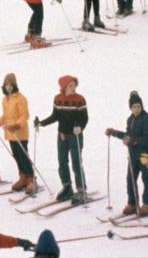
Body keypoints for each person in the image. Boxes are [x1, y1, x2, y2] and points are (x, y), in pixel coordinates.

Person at [35, 75, 88, 204]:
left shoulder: (80, 99)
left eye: (74, 85)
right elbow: (55, 116)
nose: (73, 88)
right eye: (70, 86)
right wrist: (42, 123)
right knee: (62, 162)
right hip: (62, 136)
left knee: (76, 163)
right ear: (64, 87)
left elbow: (84, 118)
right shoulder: (58, 99)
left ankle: (81, 190)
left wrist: (80, 128)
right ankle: (67, 187)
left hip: (75, 136)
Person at [105, 91, 148, 217]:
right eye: (134, 107)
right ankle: (133, 203)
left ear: (142, 106)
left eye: (138, 106)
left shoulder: (147, 119)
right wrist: (115, 132)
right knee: (130, 178)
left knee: (146, 178)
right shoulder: (130, 119)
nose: (136, 109)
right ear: (130, 108)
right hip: (133, 155)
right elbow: (128, 136)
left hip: (145, 154)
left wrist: (133, 141)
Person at [0, 73, 36, 194]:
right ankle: (22, 177)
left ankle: (31, 179)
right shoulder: (5, 99)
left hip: (20, 132)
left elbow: (25, 115)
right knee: (16, 156)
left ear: (15, 85)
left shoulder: (20, 98)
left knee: (23, 155)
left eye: (11, 85)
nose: (9, 87)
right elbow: (6, 116)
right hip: (10, 133)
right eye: (6, 85)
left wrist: (17, 124)